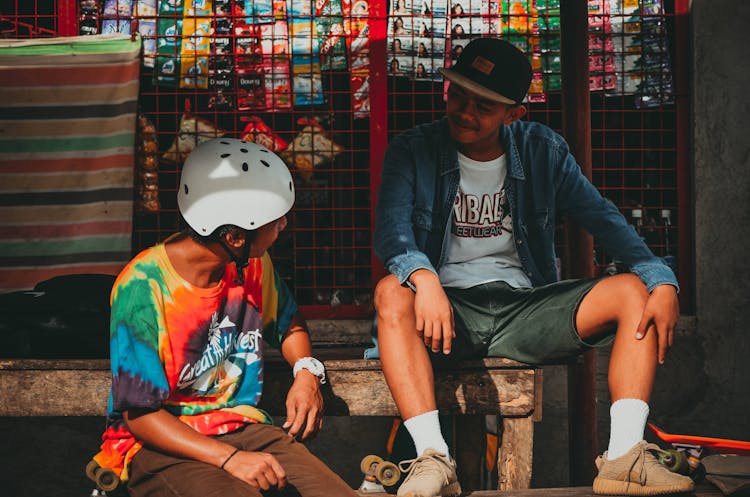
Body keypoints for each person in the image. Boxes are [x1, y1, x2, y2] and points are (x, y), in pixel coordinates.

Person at [373, 37, 694, 497]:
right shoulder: (414, 149)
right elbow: (392, 233)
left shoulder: (543, 150)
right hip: (444, 316)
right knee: (392, 289)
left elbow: (601, 217)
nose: (465, 111)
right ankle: (432, 461)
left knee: (633, 292)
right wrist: (423, 279)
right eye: (458, 94)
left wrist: (661, 280)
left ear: (513, 114)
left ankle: (624, 459)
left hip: (523, 309)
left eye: (483, 105)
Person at [89, 138, 359, 497]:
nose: (283, 225)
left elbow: (289, 323)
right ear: (234, 236)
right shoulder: (142, 288)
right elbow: (140, 416)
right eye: (274, 220)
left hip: (242, 428)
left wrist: (306, 372)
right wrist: (229, 459)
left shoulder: (252, 264)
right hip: (162, 444)